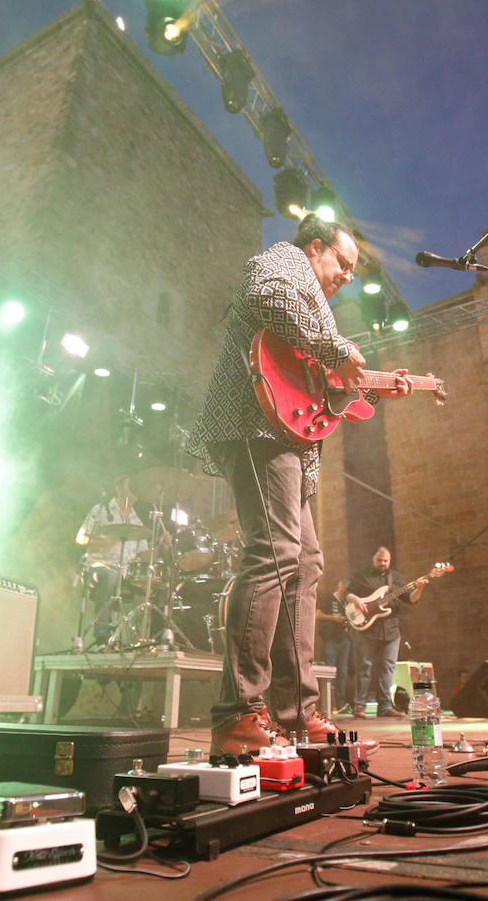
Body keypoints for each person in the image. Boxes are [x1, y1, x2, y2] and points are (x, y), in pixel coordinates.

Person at [187, 214, 417, 753]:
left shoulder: (316, 306)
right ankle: (239, 711)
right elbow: (266, 295)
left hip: (289, 440)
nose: (348, 277)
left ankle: (296, 713)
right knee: (274, 551)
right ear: (315, 248)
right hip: (255, 423)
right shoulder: (285, 265)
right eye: (343, 263)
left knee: (306, 561)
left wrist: (377, 388)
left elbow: (327, 394)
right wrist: (337, 350)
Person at [348, 546, 426, 719]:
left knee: (388, 667)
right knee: (364, 667)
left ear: (389, 560)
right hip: (367, 628)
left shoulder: (396, 578)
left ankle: (385, 707)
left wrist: (419, 588)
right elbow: (348, 593)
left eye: (386, 561)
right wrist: (356, 599)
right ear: (373, 559)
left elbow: (410, 599)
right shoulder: (362, 575)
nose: (383, 564)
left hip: (391, 629)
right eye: (379, 560)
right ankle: (359, 706)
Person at [75, 475, 149, 648]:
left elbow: (145, 554)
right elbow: (80, 539)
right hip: (97, 566)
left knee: (151, 582)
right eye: (131, 486)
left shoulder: (137, 520)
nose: (135, 492)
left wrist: (162, 545)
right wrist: (108, 541)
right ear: (119, 487)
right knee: (110, 576)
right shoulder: (101, 510)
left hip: (125, 572)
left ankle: (136, 641)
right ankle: (101, 636)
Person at [315, 579, 354, 715]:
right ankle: (328, 704)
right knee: (329, 672)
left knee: (343, 672)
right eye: (344, 590)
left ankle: (340, 703)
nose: (345, 593)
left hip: (345, 639)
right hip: (330, 639)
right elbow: (317, 615)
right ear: (339, 586)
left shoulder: (348, 602)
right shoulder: (328, 597)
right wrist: (333, 618)